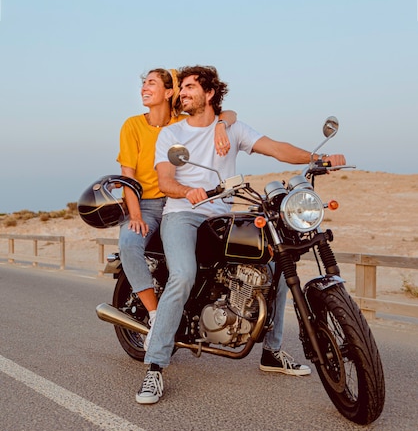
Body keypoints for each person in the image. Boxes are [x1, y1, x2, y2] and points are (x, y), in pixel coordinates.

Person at [137, 65, 346, 404]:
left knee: (277, 266)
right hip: (184, 214)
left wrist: (318, 158)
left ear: (209, 94)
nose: (183, 93)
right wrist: (186, 191)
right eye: (182, 88)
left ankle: (272, 351)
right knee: (183, 276)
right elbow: (164, 181)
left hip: (223, 215)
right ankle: (155, 367)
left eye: (190, 87)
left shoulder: (231, 128)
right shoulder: (172, 135)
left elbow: (276, 148)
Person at [117, 67, 237, 350]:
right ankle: (156, 313)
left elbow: (227, 115)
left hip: (179, 202)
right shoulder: (132, 125)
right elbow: (127, 176)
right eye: (143, 83)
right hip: (146, 203)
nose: (144, 88)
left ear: (168, 92)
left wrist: (221, 125)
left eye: (151, 83)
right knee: (129, 243)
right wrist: (134, 215)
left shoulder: (182, 121)